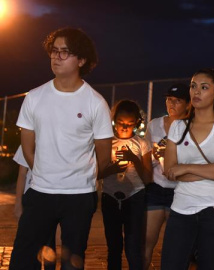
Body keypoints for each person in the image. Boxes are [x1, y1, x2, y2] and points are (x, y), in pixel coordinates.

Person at [11, 27, 113, 269]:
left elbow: (104, 156)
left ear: (82, 59)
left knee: (71, 261)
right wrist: (47, 174)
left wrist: (80, 177)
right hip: (39, 193)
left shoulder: (95, 102)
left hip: (79, 197)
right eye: (54, 51)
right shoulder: (34, 97)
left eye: (64, 52)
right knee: (23, 259)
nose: (56, 57)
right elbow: (28, 150)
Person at [161, 68, 214, 269]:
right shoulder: (178, 127)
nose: (196, 92)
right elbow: (170, 172)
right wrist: (211, 168)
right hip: (181, 207)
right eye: (193, 86)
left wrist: (185, 168)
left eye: (204, 87)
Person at [143, 83, 190, 269]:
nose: (172, 104)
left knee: (175, 246)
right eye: (169, 100)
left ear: (187, 104)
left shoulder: (191, 127)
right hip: (155, 188)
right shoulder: (154, 125)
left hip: (179, 191)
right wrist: (154, 158)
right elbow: (145, 157)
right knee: (146, 241)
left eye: (177, 101)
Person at [101, 99, 152, 269]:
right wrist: (113, 169)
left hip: (135, 197)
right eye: (121, 123)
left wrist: (133, 159)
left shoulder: (142, 143)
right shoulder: (106, 143)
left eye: (130, 124)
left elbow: (147, 177)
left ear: (137, 123)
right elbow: (97, 173)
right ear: (114, 121)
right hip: (109, 197)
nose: (124, 127)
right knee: (113, 247)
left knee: (133, 247)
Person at [13, 146, 57, 269]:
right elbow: (22, 174)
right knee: (28, 244)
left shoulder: (56, 138)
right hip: (31, 199)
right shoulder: (28, 142)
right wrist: (18, 203)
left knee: (48, 244)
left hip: (50, 198)